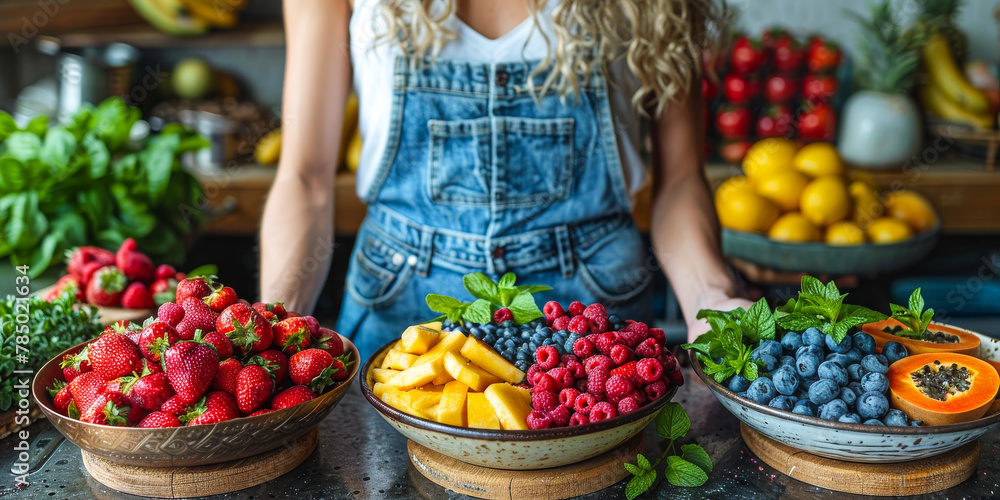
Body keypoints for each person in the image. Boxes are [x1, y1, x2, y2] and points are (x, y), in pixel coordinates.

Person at [261, 0, 752, 356]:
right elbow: (306, 178)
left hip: (591, 309)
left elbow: (681, 180)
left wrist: (710, 297)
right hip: (401, 299)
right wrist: (269, 328)